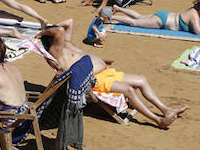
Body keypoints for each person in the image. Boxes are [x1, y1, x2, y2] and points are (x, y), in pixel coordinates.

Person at [37, 19, 187, 128]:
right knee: (128, 90)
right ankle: (158, 120)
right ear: (52, 39)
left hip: (106, 72)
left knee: (141, 80)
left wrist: (50, 28)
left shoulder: (67, 44)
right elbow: (59, 30)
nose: (63, 35)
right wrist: (42, 32)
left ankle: (166, 110)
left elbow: (70, 21)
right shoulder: (56, 51)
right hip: (92, 80)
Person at [111, 0, 200, 34]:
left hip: (165, 15)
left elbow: (198, 26)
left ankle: (118, 8)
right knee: (134, 22)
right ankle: (111, 17)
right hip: (162, 21)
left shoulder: (194, 11)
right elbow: (198, 32)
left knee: (139, 16)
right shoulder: (194, 14)